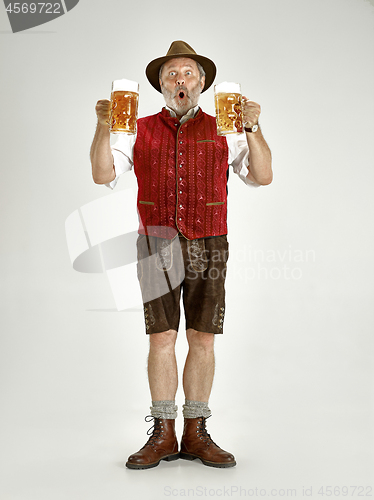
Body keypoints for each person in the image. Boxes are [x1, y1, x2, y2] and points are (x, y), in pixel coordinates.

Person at [90, 41, 272, 470]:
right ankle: (164, 431)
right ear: (159, 85)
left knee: (203, 337)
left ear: (203, 83)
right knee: (162, 337)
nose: (180, 81)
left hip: (209, 241)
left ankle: (196, 431)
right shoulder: (134, 128)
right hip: (156, 243)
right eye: (171, 74)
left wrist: (255, 128)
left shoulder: (228, 128)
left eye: (187, 73)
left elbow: (262, 176)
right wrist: (102, 126)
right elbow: (102, 174)